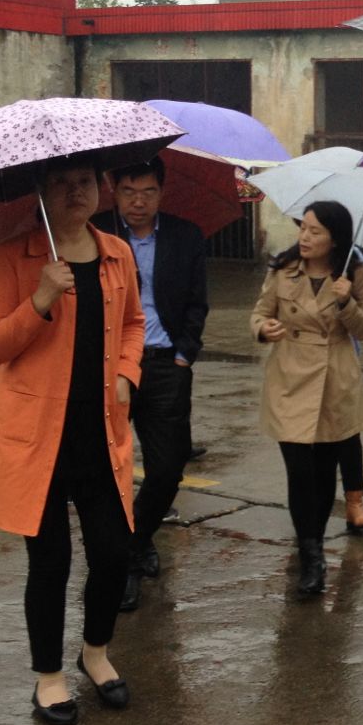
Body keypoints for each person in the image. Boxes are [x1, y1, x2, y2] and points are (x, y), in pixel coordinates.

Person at [0, 158, 145, 725]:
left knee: (113, 553)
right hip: (36, 438)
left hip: (100, 432)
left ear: (101, 187)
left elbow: (133, 324)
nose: (76, 192)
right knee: (50, 561)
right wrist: (40, 299)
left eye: (86, 182)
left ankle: (95, 652)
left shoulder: (116, 254)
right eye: (62, 183)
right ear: (41, 192)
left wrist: (127, 373)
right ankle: (49, 676)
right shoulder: (12, 257)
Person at [92, 156, 209, 612]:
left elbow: (198, 301)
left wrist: (184, 355)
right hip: (109, 367)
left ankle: (134, 542)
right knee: (108, 470)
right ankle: (126, 560)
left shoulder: (185, 236)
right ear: (113, 191)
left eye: (147, 193)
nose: (137, 203)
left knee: (167, 468)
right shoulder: (94, 235)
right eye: (128, 192)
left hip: (164, 365)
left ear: (162, 193)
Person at [250, 201, 363, 600]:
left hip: (335, 381)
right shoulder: (283, 268)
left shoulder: (353, 271)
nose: (304, 237)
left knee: (323, 475)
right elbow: (259, 312)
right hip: (290, 380)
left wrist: (346, 302)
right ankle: (311, 557)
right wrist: (263, 329)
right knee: (299, 473)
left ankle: (314, 544)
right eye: (303, 228)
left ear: (335, 238)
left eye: (315, 231)